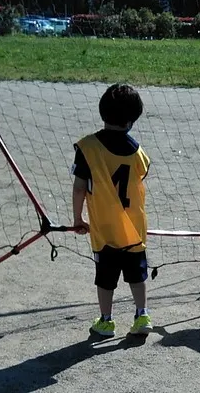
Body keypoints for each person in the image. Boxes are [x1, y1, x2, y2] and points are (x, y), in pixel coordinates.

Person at [72, 83, 153, 337]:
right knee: (137, 274)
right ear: (131, 120)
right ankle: (142, 315)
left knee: (105, 278)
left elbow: (79, 188)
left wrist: (78, 218)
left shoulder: (88, 147)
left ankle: (106, 320)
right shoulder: (139, 152)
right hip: (134, 228)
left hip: (105, 229)